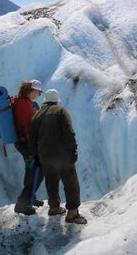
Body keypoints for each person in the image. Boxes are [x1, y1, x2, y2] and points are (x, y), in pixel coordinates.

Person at [28, 89, 87, 224]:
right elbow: (68, 132)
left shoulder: (36, 116)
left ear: (45, 101)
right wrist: (73, 150)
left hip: (45, 156)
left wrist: (37, 155)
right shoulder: (60, 111)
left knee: (51, 181)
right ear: (56, 100)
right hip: (62, 155)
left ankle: (54, 208)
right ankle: (72, 213)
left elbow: (31, 139)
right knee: (70, 182)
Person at [12, 79, 45, 215]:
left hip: (23, 143)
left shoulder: (22, 102)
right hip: (26, 143)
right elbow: (27, 126)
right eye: (37, 92)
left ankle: (31, 198)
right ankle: (22, 205)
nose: (37, 95)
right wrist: (35, 144)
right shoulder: (24, 104)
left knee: (31, 170)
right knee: (38, 172)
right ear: (31, 91)